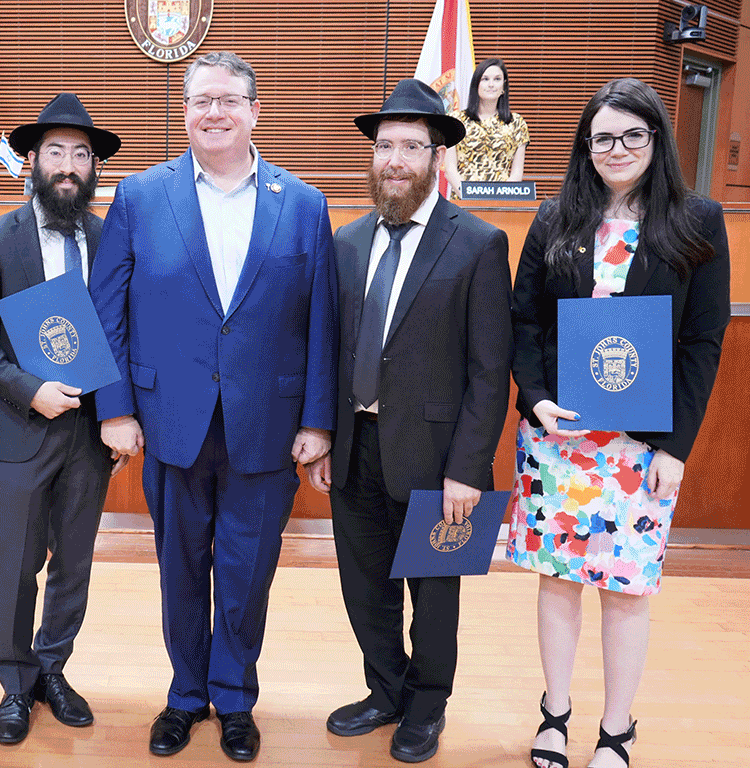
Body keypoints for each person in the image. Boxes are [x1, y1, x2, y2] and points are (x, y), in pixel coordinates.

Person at [90, 51, 336, 762]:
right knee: (180, 567)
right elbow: (107, 312)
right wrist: (114, 409)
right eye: (201, 100)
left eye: (229, 100)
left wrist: (318, 420)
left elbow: (322, 320)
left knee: (246, 571)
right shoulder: (140, 196)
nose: (215, 112)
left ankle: (234, 698)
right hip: (169, 422)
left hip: (268, 426)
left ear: (255, 112)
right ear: (185, 110)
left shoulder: (304, 203)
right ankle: (184, 695)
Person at [506, 78, 730, 768]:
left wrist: (676, 448)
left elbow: (702, 342)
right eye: (602, 137)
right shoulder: (556, 218)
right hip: (559, 439)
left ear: (656, 138)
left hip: (641, 447)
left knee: (626, 589)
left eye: (633, 134)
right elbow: (523, 320)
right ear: (585, 146)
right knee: (558, 579)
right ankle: (554, 716)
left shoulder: (697, 220)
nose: (617, 148)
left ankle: (616, 729)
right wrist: (535, 398)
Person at [307, 78, 512, 764]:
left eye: (411, 147)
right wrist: (324, 436)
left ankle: (427, 707)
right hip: (356, 447)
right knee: (365, 588)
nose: (394, 160)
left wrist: (468, 471)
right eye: (384, 146)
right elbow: (331, 349)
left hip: (439, 460)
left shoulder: (478, 244)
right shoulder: (346, 242)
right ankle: (386, 690)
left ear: (437, 157)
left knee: (434, 593)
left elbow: (489, 371)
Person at [0, 93, 126, 746]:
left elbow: (127, 332)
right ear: (33, 160)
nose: (68, 165)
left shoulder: (110, 237)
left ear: (94, 168)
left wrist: (122, 416)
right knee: (16, 563)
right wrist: (30, 391)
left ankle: (53, 668)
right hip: (22, 430)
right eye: (55, 151)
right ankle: (14, 684)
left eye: (81, 155)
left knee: (73, 563)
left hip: (90, 433)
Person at [445, 58, 529, 199]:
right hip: (463, 201)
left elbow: (517, 173)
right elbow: (450, 169)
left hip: (501, 203)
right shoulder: (456, 120)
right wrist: (469, 196)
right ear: (476, 84)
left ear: (504, 86)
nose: (491, 84)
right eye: (485, 79)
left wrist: (500, 200)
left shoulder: (517, 123)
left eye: (497, 79)